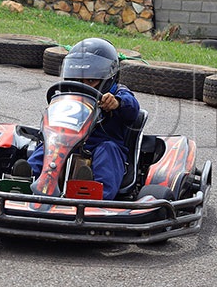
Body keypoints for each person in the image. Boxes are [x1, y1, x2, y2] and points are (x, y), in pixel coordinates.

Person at [24, 38, 140, 200]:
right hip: (65, 142)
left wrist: (117, 103)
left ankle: (98, 196)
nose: (83, 84)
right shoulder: (66, 94)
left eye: (91, 81)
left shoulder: (118, 93)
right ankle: (25, 180)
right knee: (45, 149)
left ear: (109, 77)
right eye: (78, 80)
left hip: (99, 145)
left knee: (108, 151)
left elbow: (133, 108)